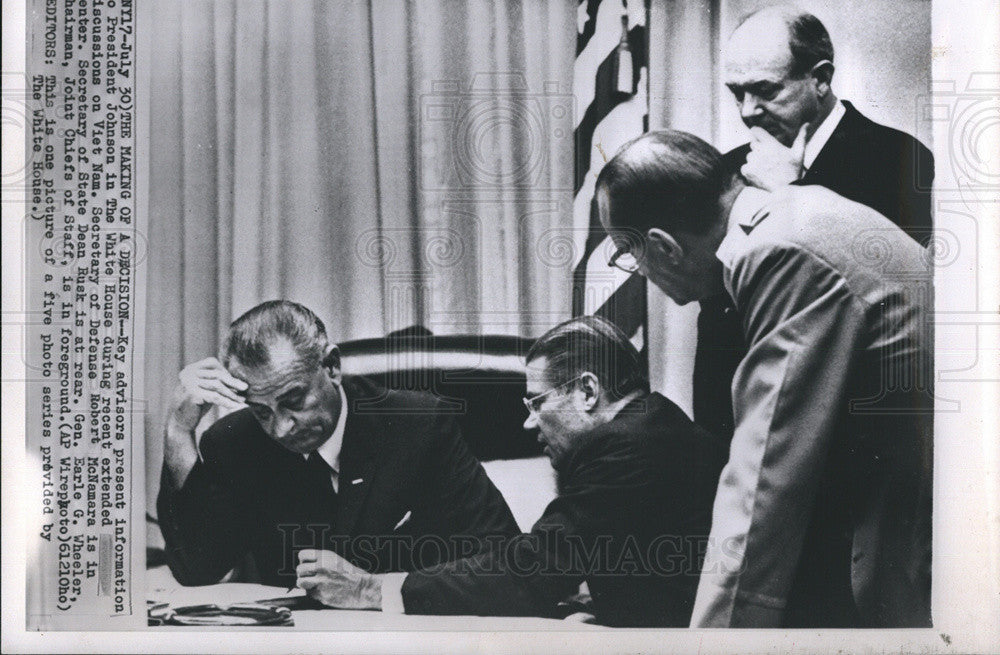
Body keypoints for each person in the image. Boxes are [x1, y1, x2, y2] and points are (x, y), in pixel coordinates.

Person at [596, 130, 933, 627]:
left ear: (664, 247)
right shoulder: (792, 213)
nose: (638, 271)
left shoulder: (776, 252)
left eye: (628, 255)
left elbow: (766, 477)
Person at [294, 316, 726, 627]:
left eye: (536, 403)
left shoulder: (622, 446)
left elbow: (533, 568)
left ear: (588, 391)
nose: (528, 423)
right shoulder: (657, 423)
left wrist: (370, 589)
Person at [157, 300, 520, 592]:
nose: (281, 429)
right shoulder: (233, 442)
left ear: (331, 367)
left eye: (294, 400)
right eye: (261, 411)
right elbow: (197, 571)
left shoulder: (419, 424)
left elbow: (502, 555)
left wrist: (377, 589)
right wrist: (178, 431)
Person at [696, 5, 935, 444]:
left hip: (855, 437)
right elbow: (716, 312)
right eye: (736, 93)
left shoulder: (898, 158)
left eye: (765, 91)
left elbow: (892, 308)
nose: (748, 112)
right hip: (749, 430)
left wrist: (791, 196)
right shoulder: (729, 171)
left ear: (821, 78)